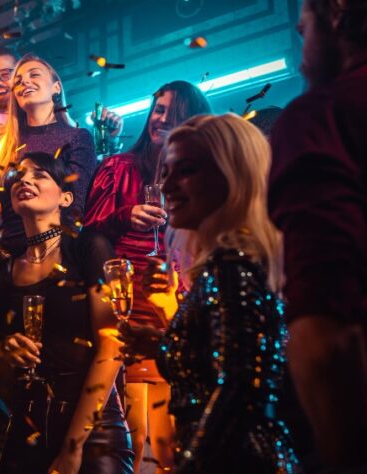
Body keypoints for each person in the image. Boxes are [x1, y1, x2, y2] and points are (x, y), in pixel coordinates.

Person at [268, 0, 367, 470]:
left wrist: (343, 455)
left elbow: (326, 330)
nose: (301, 56)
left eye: (303, 30)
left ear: (336, 15)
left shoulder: (326, 116)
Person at [121, 114, 298, 472]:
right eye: (165, 172)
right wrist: (164, 344)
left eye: (186, 170)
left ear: (232, 175)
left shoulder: (232, 265)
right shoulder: (227, 262)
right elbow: (228, 358)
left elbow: (240, 389)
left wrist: (192, 465)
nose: (167, 185)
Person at [82, 80, 210, 473]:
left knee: (171, 442)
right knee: (134, 436)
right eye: (158, 109)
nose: (161, 119)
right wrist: (126, 214)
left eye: (172, 113)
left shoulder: (199, 180)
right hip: (125, 302)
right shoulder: (118, 167)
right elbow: (88, 235)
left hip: (173, 302)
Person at [0, 152, 132, 473]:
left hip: (92, 426)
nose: (24, 180)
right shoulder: (5, 268)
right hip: (27, 424)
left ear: (65, 198)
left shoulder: (89, 247)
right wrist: (5, 349)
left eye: (39, 175)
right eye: (18, 176)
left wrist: (73, 446)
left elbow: (112, 346)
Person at [0, 53, 97, 256]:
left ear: (56, 88)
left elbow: (76, 206)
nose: (25, 82)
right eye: (18, 81)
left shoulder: (76, 137)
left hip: (55, 248)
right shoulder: (5, 145)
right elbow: (0, 212)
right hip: (9, 251)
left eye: (34, 75)